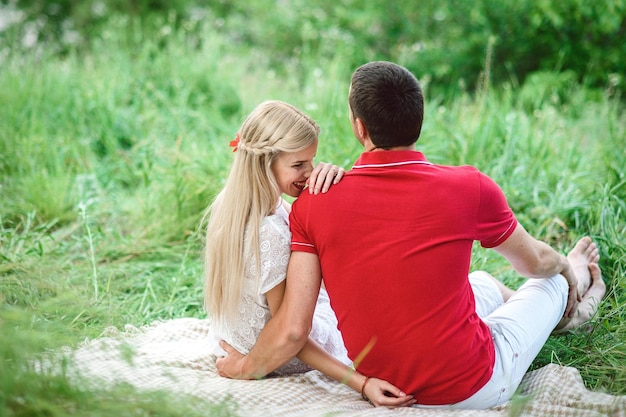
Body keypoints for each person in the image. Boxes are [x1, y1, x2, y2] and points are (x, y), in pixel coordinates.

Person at [215, 62, 607, 409]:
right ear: (419, 118)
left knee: (480, 283)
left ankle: (558, 312)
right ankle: (577, 286)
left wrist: (245, 366)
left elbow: (292, 322)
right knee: (549, 280)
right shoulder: (470, 186)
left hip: (386, 382)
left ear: (359, 127)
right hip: (476, 386)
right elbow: (533, 262)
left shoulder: (311, 206)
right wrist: (563, 268)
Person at [203, 100, 415, 407]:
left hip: (235, 339)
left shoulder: (233, 203)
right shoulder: (269, 233)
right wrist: (362, 383)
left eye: (312, 161)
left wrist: (329, 186)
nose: (309, 171)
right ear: (265, 162)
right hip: (281, 354)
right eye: (299, 164)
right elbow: (290, 334)